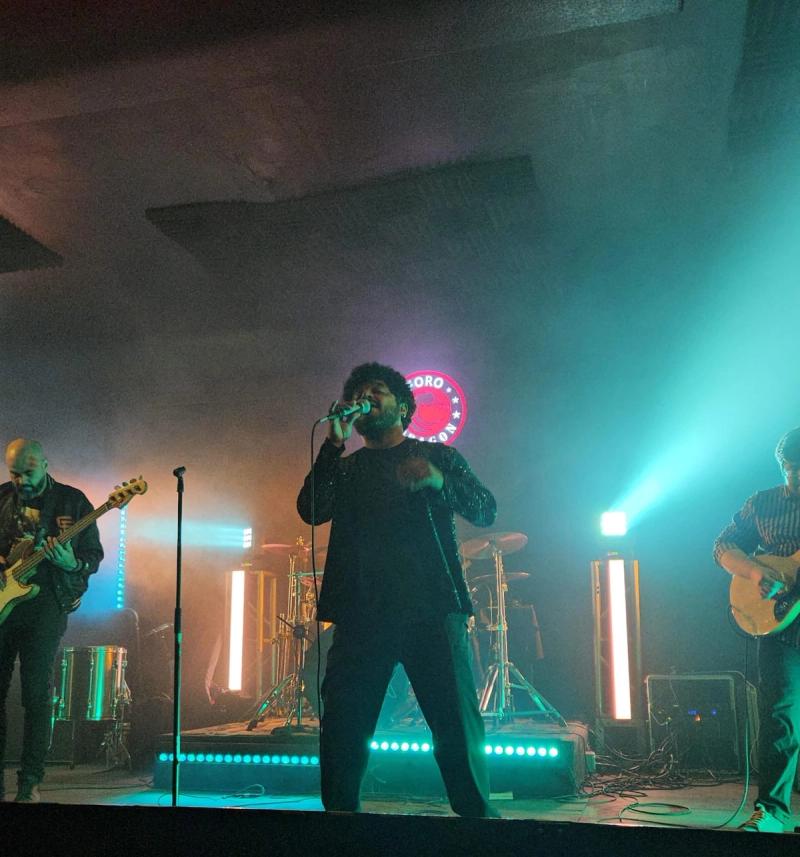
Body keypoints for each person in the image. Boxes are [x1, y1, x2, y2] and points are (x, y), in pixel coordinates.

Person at [297, 362, 498, 817]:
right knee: (344, 729)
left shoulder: (438, 457)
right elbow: (311, 510)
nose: (365, 396)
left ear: (404, 406)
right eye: (358, 392)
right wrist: (332, 444)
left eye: (377, 390)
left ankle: (480, 827)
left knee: (456, 732)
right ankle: (340, 826)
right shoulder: (346, 469)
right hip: (361, 615)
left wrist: (438, 480)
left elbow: (486, 509)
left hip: (432, 611)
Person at [0, 439, 103, 803]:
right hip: (3, 607)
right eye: (14, 472)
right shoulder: (2, 498)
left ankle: (30, 782)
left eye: (27, 472)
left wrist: (70, 563)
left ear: (44, 464)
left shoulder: (72, 502)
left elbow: (93, 555)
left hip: (45, 608)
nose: (20, 480)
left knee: (36, 695)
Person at [714, 426, 800, 833]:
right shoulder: (764, 503)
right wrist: (755, 571)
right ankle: (773, 811)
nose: (797, 476)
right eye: (791, 468)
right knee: (779, 717)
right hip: (780, 626)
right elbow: (723, 545)